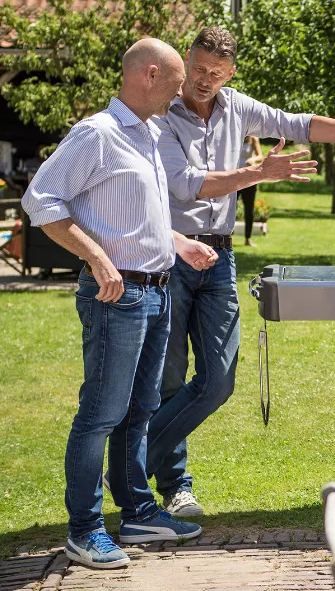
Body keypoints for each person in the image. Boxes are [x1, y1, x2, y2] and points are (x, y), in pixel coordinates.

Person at [145, 26, 335, 518]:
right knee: (169, 379)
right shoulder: (162, 114)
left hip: (220, 257)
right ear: (186, 62)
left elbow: (304, 125)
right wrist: (258, 173)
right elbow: (184, 185)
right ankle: (175, 485)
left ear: (230, 73)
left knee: (218, 380)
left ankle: (128, 463)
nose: (204, 79)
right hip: (172, 253)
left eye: (216, 72)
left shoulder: (238, 107)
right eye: (198, 68)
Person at [21, 38, 218, 570]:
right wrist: (98, 260)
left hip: (156, 290)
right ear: (149, 75)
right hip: (118, 294)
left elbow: (136, 216)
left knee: (140, 410)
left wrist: (178, 243)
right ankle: (84, 531)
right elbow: (40, 198)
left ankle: (136, 515)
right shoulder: (98, 135)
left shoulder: (150, 134)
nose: (182, 93)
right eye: (177, 83)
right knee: (101, 414)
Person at [237, 135, 263, 246]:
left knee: (249, 209)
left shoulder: (253, 139)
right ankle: (227, 237)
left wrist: (253, 159)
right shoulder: (234, 136)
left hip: (249, 178)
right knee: (229, 208)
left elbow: (260, 156)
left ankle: (248, 238)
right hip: (234, 178)